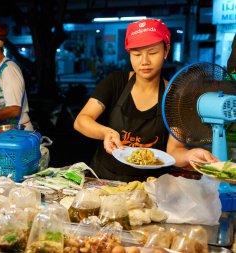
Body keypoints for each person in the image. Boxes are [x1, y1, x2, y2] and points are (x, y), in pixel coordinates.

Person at [74, 19, 218, 182]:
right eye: (136, 54)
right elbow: (81, 121)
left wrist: (189, 154)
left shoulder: (175, 97)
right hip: (104, 180)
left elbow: (174, 151)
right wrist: (106, 132)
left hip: (151, 187)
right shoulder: (116, 82)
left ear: (166, 51)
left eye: (153, 52)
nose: (144, 61)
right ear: (129, 54)